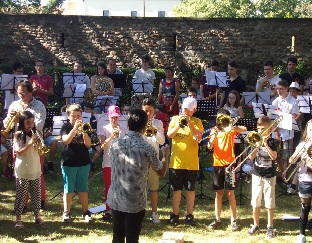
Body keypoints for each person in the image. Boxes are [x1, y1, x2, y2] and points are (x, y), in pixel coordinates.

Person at [107, 109, 168, 243]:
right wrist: (165, 156)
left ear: (128, 125)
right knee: (133, 238)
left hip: (117, 198)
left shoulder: (115, 143)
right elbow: (161, 172)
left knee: (117, 237)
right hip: (135, 201)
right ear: (145, 126)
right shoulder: (147, 148)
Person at [4, 79, 47, 210]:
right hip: (19, 140)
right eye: (19, 93)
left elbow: (39, 125)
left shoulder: (39, 106)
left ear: (30, 92)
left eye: (23, 93)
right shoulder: (15, 105)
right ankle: (23, 201)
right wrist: (10, 119)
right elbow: (6, 124)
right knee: (20, 172)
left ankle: (40, 200)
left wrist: (21, 120)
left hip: (35, 140)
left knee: (37, 171)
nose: (21, 96)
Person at [207, 109, 247, 231]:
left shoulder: (230, 130)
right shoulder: (214, 130)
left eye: (222, 118)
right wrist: (213, 137)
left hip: (230, 165)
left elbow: (244, 129)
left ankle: (233, 219)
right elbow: (209, 146)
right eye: (218, 118)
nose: (220, 121)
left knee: (230, 192)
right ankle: (217, 218)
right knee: (218, 193)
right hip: (217, 164)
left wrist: (232, 127)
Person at [167, 97, 204, 225]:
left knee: (190, 189)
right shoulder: (175, 119)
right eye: (184, 109)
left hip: (191, 162)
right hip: (176, 162)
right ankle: (175, 214)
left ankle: (189, 214)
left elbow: (199, 137)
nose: (185, 111)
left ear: (194, 110)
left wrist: (190, 124)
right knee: (176, 189)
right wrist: (179, 124)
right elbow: (170, 135)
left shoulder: (197, 121)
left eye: (188, 110)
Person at [60, 103, 93, 223]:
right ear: (68, 116)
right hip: (69, 162)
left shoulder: (85, 126)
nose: (76, 118)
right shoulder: (66, 127)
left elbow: (88, 144)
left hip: (83, 162)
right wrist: (74, 129)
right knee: (68, 189)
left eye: (78, 115)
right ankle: (66, 212)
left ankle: (86, 212)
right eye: (73, 116)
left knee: (83, 188)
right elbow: (66, 141)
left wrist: (84, 132)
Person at [247, 116, 279, 239]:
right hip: (257, 174)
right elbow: (251, 157)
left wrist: (265, 143)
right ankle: (256, 225)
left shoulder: (273, 142)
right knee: (255, 201)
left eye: (263, 129)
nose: (260, 131)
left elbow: (274, 157)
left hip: (269, 175)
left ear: (269, 129)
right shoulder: (255, 140)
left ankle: (270, 226)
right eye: (259, 129)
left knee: (269, 202)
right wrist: (257, 144)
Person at [13, 110, 45, 228]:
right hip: (23, 168)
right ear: (22, 122)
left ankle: (37, 215)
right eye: (27, 122)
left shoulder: (37, 133)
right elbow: (20, 153)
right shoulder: (18, 135)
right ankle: (18, 218)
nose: (30, 124)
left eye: (32, 122)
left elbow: (41, 153)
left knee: (36, 194)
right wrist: (31, 143)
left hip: (34, 167)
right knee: (21, 195)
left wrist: (40, 144)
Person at [99, 105, 127, 221]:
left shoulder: (124, 129)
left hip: (120, 162)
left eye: (116, 117)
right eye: (112, 117)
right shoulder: (104, 129)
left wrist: (120, 135)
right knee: (108, 187)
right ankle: (108, 210)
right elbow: (102, 146)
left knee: (120, 186)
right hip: (108, 161)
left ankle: (120, 210)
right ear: (108, 116)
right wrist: (111, 136)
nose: (114, 119)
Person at [286, 120, 312, 243]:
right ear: (307, 131)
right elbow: (291, 161)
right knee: (305, 207)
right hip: (306, 180)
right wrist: (297, 155)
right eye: (310, 130)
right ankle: (302, 235)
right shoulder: (302, 144)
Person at [142, 98, 166, 223]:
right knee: (140, 188)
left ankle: (154, 213)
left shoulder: (158, 123)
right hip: (140, 160)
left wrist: (154, 129)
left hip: (154, 159)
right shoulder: (138, 123)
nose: (148, 114)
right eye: (145, 111)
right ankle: (140, 213)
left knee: (153, 187)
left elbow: (162, 141)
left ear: (154, 111)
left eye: (150, 111)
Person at [272, 80, 299, 182]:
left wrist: (284, 116)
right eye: (278, 88)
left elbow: (295, 116)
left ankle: (284, 175)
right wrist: (276, 132)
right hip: (278, 131)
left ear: (287, 89)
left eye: (281, 89)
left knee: (286, 155)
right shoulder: (275, 101)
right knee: (278, 154)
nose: (279, 91)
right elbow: (273, 117)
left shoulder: (293, 101)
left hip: (287, 132)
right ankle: (280, 174)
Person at [287, 82, 304, 195]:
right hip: (290, 129)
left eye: (294, 91)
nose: (292, 93)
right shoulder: (289, 101)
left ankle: (294, 184)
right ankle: (292, 183)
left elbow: (300, 115)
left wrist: (294, 119)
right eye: (291, 91)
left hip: (300, 130)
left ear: (298, 92)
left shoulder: (302, 101)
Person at [84, 102, 102, 171]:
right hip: (84, 137)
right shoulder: (82, 118)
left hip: (93, 137)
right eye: (84, 109)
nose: (85, 111)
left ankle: (92, 162)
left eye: (87, 109)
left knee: (99, 150)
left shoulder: (94, 118)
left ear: (92, 110)